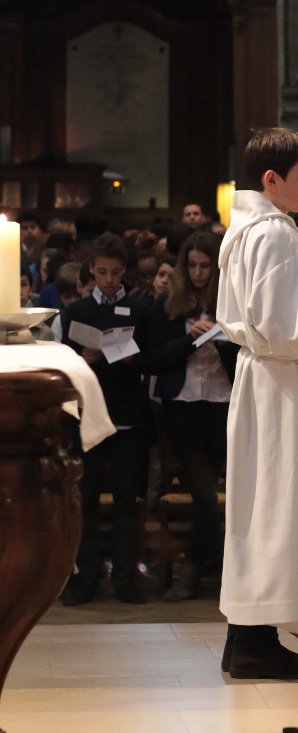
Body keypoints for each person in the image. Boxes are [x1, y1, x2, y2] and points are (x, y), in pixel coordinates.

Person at [215, 127, 298, 679]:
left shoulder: (257, 229)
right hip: (280, 386)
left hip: (271, 384)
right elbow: (282, 328)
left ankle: (247, 637)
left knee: (265, 508)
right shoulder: (272, 234)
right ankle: (254, 644)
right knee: (275, 508)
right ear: (271, 180)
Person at [59, 233, 153, 606]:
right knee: (87, 499)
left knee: (127, 501)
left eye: (115, 272)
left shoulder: (140, 310)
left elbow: (152, 358)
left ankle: (126, 578)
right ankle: (87, 577)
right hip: (89, 415)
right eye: (102, 272)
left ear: (124, 271)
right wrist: (83, 358)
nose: (110, 280)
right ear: (91, 272)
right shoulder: (77, 313)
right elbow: (63, 363)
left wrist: (132, 358)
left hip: (128, 414)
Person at [146, 231, 238, 601]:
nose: (199, 273)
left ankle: (195, 570)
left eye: (205, 266)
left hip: (222, 401)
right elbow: (152, 359)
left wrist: (222, 339)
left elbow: (245, 358)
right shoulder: (167, 305)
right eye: (193, 266)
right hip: (181, 405)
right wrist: (189, 340)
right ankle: (218, 571)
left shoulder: (230, 302)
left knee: (212, 495)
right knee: (203, 493)